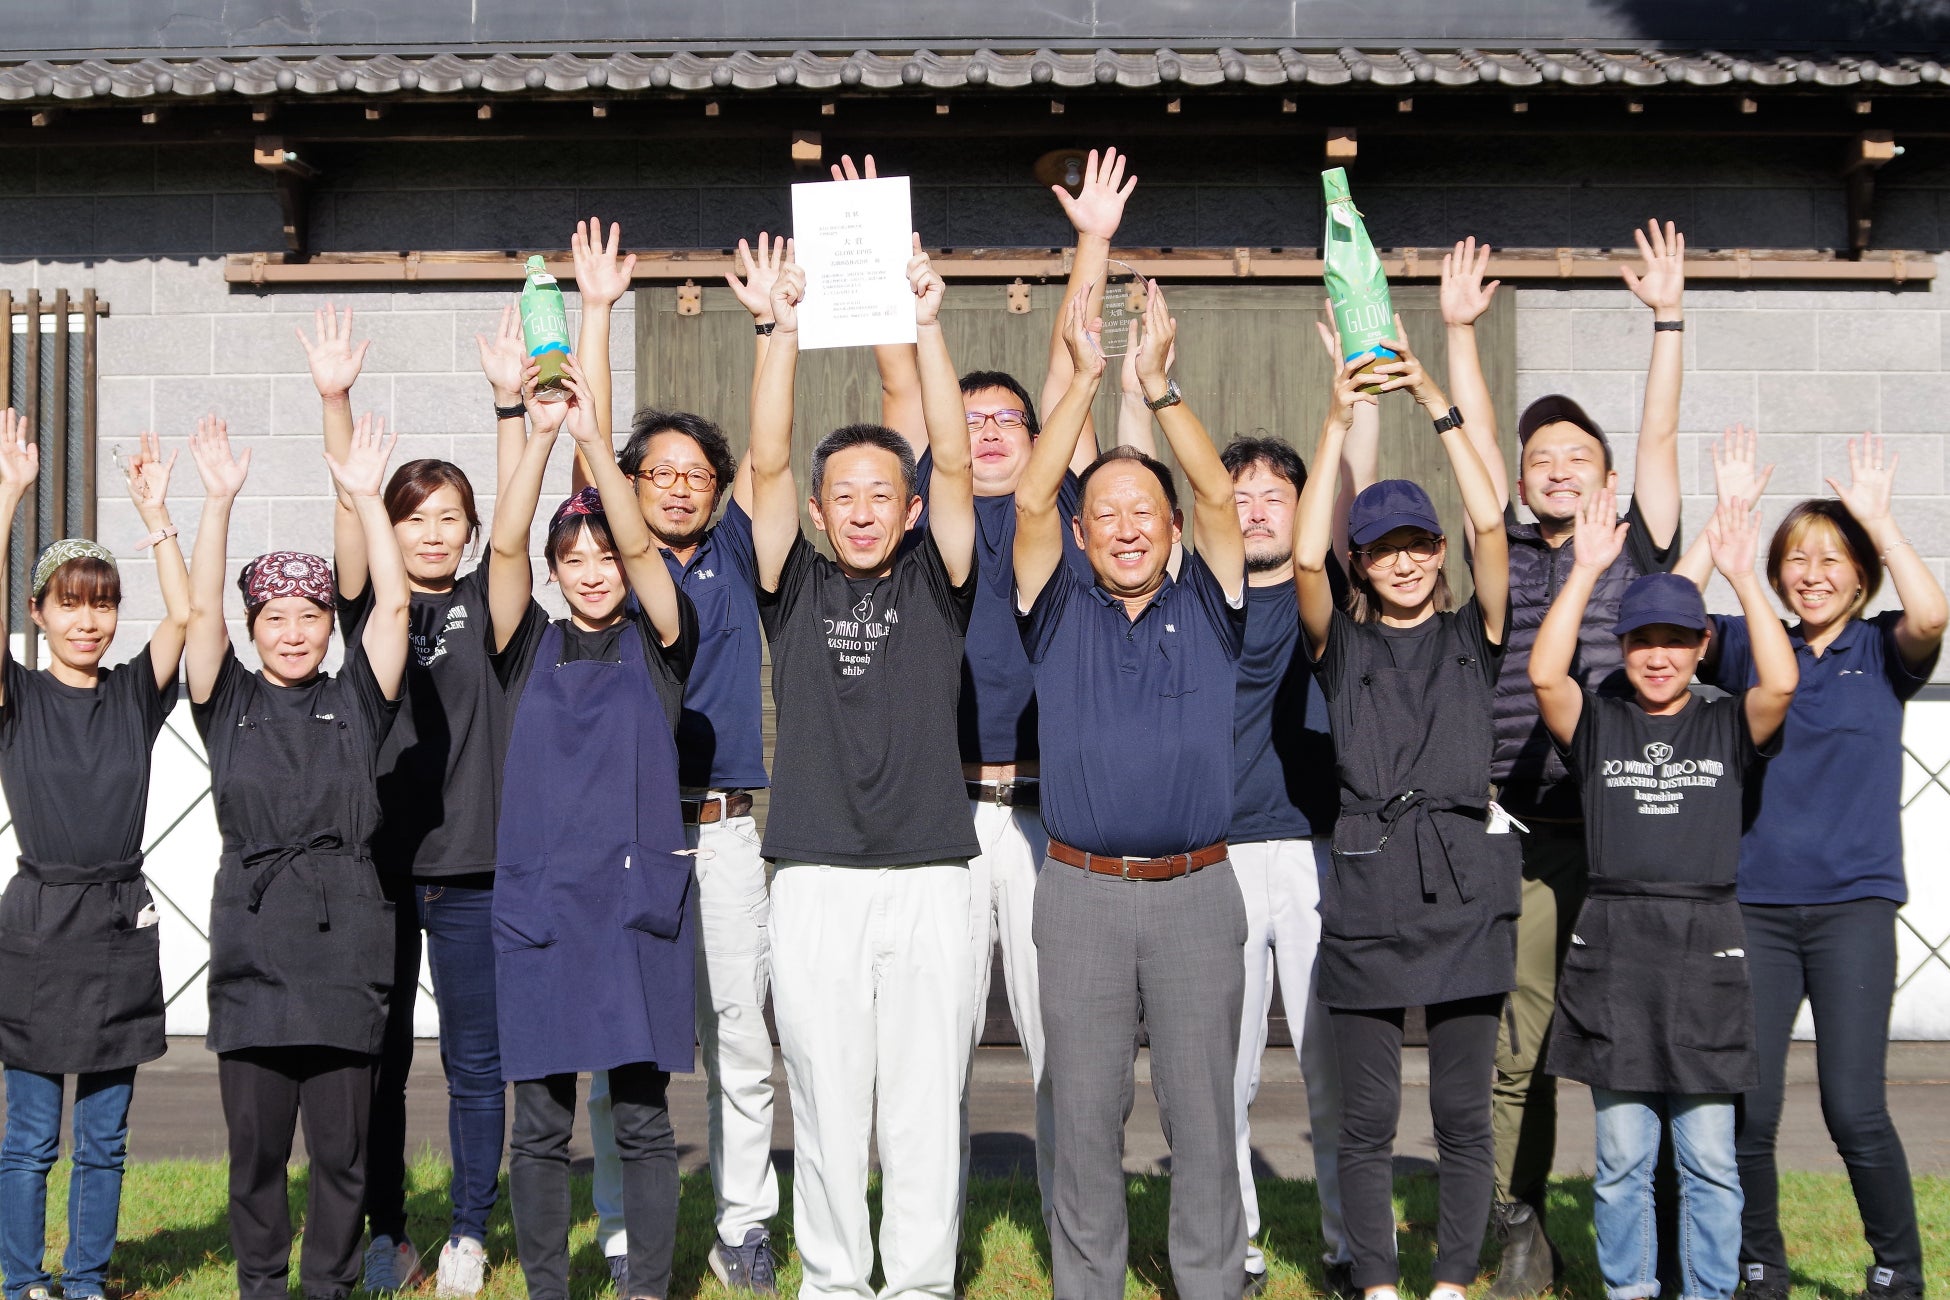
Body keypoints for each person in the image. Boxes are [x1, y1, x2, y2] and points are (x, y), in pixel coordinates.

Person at [851, 147, 1133, 1214]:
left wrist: (1091, 242)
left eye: (1008, 420)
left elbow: (1069, 363)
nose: (989, 432)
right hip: (949, 810)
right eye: (969, 424)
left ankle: (1076, 1228)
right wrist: (877, 254)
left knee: (1067, 1033)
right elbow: (902, 388)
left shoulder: (1065, 511)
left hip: (1054, 813)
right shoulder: (932, 518)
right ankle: (930, 1226)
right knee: (937, 1035)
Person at [749, 244, 978, 1300]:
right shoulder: (792, 584)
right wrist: (781, 333)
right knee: (827, 1097)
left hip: (931, 872)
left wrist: (927, 325)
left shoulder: (940, 580)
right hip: (815, 876)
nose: (862, 510)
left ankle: (920, 1284)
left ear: (910, 508)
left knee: (925, 1102)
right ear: (819, 509)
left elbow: (957, 463)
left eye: (882, 493)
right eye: (842, 494)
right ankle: (836, 1282)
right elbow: (764, 464)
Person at [302, 294, 543, 1297]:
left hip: (477, 871)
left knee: (478, 1064)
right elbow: (349, 517)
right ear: (391, 526)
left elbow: (519, 524)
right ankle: (388, 1231)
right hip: (378, 874)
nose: (433, 532)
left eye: (450, 518)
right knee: (381, 1059)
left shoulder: (494, 607)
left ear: (469, 529)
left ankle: (470, 1231)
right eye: (414, 517)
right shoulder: (372, 609)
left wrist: (510, 408)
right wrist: (335, 403)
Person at [1015, 283, 1248, 1300]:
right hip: (1082, 897)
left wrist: (1158, 389)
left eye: (1141, 512)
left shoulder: (1211, 606)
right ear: (1082, 535)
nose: (1123, 528)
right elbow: (1031, 502)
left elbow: (1221, 500)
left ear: (1170, 528)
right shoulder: (1055, 608)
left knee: (1204, 1119)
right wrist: (1084, 379)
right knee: (1083, 1122)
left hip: (1197, 893)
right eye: (1104, 514)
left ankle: (1210, 1283)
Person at [1676, 428, 1945, 1300]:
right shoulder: (1757, 644)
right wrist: (1723, 524)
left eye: (1832, 558)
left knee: (1853, 1107)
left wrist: (1882, 522)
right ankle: (1760, 1267)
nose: (1812, 573)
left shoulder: (1882, 652)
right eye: (1796, 557)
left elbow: (1932, 616)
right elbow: (1666, 613)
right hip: (1755, 908)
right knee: (1749, 1111)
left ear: (1861, 576)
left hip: (1852, 911)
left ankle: (1898, 1271)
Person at [1293, 323, 1518, 1300]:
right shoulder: (1341, 646)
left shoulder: (1475, 635)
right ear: (1365, 562)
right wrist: (1337, 419)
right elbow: (1305, 560)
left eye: (1418, 546)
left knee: (1463, 1115)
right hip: (1369, 890)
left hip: (1468, 887)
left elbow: (1492, 528)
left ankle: (1454, 1280)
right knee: (1367, 1118)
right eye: (1383, 550)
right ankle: (1379, 1282)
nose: (1405, 563)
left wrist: (1433, 399)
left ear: (1435, 552)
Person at [1486, 221, 1687, 1296]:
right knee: (1520, 1047)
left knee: (1642, 1040)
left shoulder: (1637, 545)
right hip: (1529, 838)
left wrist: (1667, 319)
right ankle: (1520, 1229)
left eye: (1578, 456)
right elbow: (1471, 448)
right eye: (1541, 459)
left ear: (1605, 476)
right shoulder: (1505, 554)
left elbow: (1659, 437)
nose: (1558, 469)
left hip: (1634, 836)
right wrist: (1458, 337)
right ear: (1524, 482)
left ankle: (1661, 1229)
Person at [1531, 491, 1797, 1300]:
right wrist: (1585, 571)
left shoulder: (1725, 724)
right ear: (1622, 646)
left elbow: (1782, 683)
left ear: (1702, 645)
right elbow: (1545, 673)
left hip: (1706, 951)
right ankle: (1631, 1289)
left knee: (1710, 1158)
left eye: (1676, 641)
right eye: (1642, 640)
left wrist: (1744, 575)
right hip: (1615, 951)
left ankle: (1709, 1291)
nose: (1658, 657)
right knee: (1621, 1159)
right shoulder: (1601, 724)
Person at [590, 231, 784, 1294]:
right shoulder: (605, 561)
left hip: (724, 829)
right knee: (623, 1042)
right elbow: (586, 439)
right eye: (656, 473)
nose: (676, 488)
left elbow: (772, 446)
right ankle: (625, 1231)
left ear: (715, 490)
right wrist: (597, 313)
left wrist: (771, 330)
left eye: (694, 475)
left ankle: (742, 1226)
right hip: (623, 831)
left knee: (739, 1035)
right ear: (630, 485)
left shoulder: (736, 554)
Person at [186, 412, 409, 1300]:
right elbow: (198, 612)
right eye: (274, 617)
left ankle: (329, 1287)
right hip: (252, 947)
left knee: (343, 1152)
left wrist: (366, 498)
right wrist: (216, 504)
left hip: (345, 947)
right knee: (255, 1151)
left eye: (310, 616)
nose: (292, 632)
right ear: (254, 626)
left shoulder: (358, 699)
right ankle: (261, 1285)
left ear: (327, 626)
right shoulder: (226, 699)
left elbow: (393, 606)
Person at [488, 354, 697, 1300]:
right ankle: (548, 1289)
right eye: (572, 561)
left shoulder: (660, 642)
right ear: (555, 573)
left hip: (629, 907)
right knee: (539, 1124)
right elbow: (502, 552)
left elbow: (647, 553)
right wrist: (537, 439)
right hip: (540, 906)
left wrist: (592, 443)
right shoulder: (523, 643)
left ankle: (647, 1286)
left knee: (643, 1119)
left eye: (605, 557)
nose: (593, 574)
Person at [0, 420, 189, 1300]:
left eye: (103, 603)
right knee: (31, 1135)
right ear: (37, 614)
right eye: (69, 603)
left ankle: (84, 1280)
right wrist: (10, 495)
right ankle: (20, 1280)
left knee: (105, 1136)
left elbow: (184, 616)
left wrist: (156, 513)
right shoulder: (18, 698)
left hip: (119, 922)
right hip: (39, 925)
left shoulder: (133, 695)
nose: (88, 620)